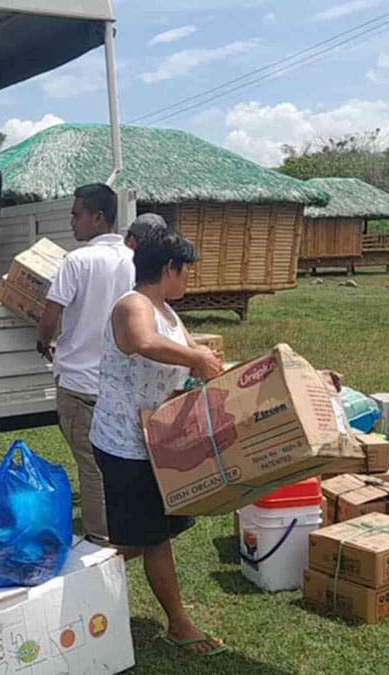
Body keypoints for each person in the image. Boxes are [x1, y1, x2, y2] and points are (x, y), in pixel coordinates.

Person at [89, 230, 227, 657]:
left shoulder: (167, 311)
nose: (189, 280)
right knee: (151, 537)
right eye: (186, 271)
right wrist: (195, 357)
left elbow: (197, 360)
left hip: (154, 440)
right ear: (169, 268)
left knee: (146, 534)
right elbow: (142, 342)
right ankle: (178, 623)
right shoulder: (133, 305)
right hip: (124, 443)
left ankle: (77, 575)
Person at [37, 184, 135, 545]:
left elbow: (52, 312)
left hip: (80, 385)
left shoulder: (77, 261)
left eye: (77, 215)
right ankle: (124, 524)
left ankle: (101, 537)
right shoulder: (133, 260)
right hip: (120, 384)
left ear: (98, 217)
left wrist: (43, 341)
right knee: (118, 460)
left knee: (91, 467)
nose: (72, 222)